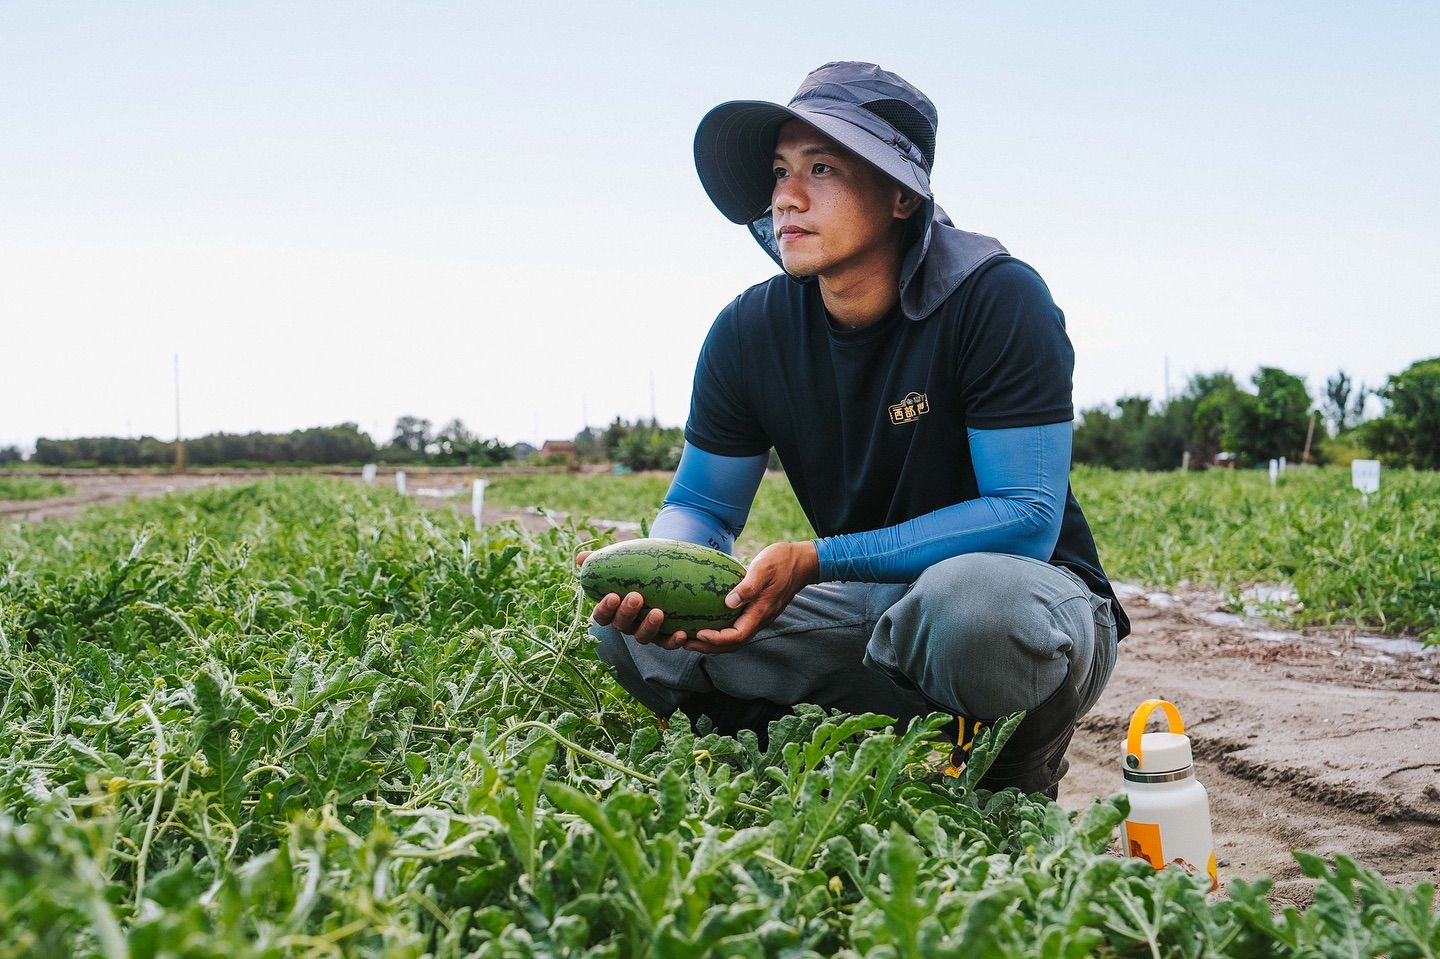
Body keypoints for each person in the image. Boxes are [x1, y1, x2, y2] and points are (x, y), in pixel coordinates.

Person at [581, 61, 1130, 798]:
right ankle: (815, 777)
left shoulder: (997, 299)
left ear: (902, 195)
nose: (785, 195)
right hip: (869, 609)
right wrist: (666, 573)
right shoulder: (749, 332)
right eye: (779, 171)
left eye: (822, 166)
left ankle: (1008, 778)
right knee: (627, 632)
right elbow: (704, 506)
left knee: (969, 609)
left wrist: (818, 556)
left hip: (1034, 606)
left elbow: (1026, 518)